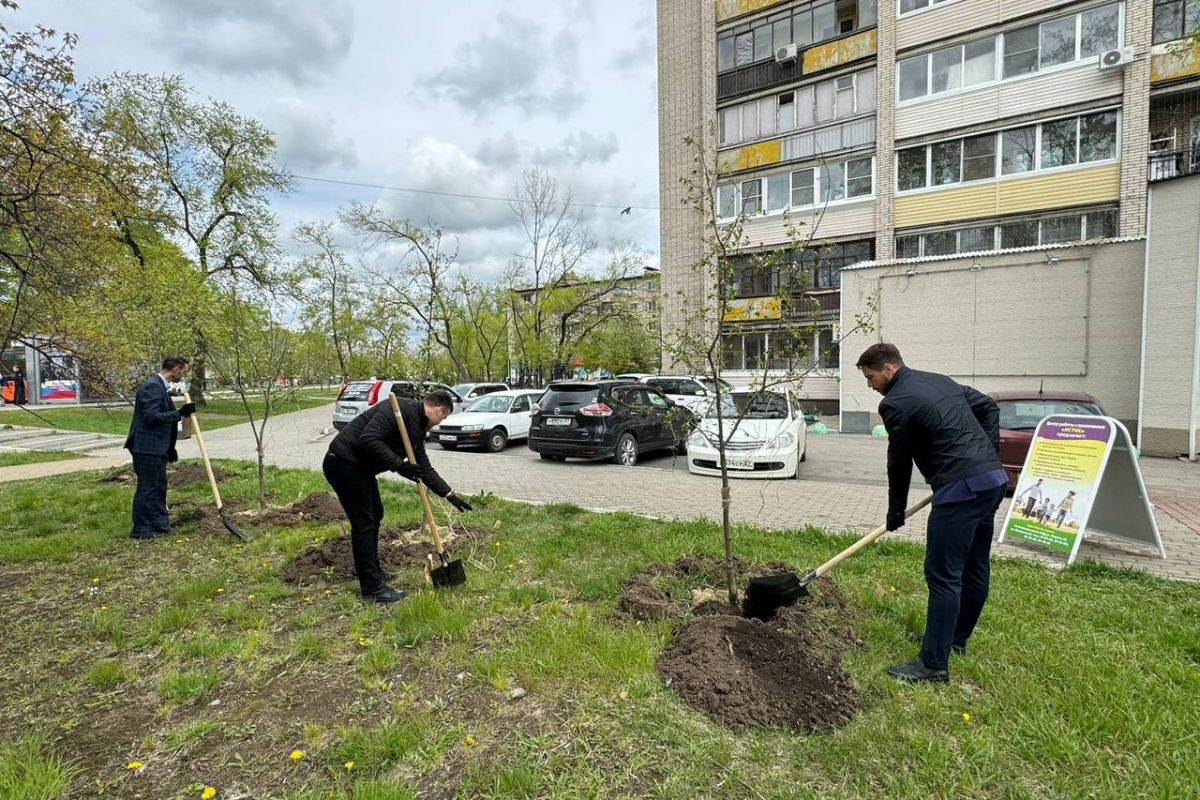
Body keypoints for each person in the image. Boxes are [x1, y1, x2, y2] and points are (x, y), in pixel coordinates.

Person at [857, 343, 1007, 684]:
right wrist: (987, 453)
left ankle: (933, 664)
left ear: (889, 369)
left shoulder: (895, 403)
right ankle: (952, 640)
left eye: (870, 377)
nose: (870, 385)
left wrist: (895, 511)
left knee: (943, 575)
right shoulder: (941, 381)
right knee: (974, 566)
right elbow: (989, 408)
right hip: (992, 481)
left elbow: (899, 461)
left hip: (960, 492)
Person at [323, 389, 473, 603]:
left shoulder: (418, 427)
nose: (441, 422)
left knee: (375, 515)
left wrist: (449, 494)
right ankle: (372, 589)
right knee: (364, 523)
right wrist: (399, 466)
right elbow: (368, 439)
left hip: (360, 469)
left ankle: (374, 573)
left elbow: (423, 468)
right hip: (343, 463)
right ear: (439, 410)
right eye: (444, 417)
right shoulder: (396, 410)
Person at [124, 356, 195, 539]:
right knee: (148, 488)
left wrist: (169, 448)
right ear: (176, 369)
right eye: (184, 371)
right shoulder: (152, 386)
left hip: (157, 447)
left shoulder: (160, 386)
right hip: (146, 447)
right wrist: (178, 414)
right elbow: (151, 417)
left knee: (159, 486)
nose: (184, 374)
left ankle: (159, 523)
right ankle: (141, 529)